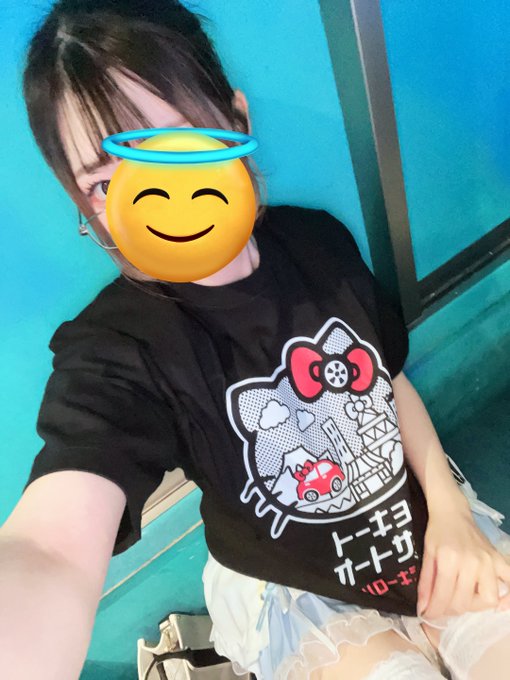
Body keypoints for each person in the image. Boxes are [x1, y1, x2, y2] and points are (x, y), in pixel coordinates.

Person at [2, 1, 510, 678]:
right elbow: (52, 546)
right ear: (85, 204)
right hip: (295, 590)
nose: (160, 200)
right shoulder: (118, 348)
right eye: (104, 180)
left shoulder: (317, 242)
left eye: (175, 146)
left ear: (236, 122)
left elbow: (385, 382)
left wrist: (449, 510)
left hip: (423, 525)